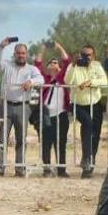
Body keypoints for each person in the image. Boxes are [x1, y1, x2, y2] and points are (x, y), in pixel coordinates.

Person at [0, 39, 43, 177]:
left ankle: (20, 168)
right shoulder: (6, 65)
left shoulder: (31, 69)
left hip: (23, 107)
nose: (21, 55)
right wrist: (1, 46)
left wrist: (31, 81)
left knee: (21, 139)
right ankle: (0, 168)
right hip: (5, 106)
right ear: (14, 54)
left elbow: (41, 79)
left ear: (26, 54)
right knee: (1, 138)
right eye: (18, 53)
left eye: (23, 53)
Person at [64, 44, 108, 178]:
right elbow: (67, 81)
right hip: (78, 103)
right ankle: (86, 160)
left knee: (95, 134)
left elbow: (104, 81)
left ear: (93, 56)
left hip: (95, 103)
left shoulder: (96, 66)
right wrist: (73, 65)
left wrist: (91, 82)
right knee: (87, 124)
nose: (86, 57)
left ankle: (89, 165)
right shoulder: (73, 66)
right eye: (83, 54)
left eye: (89, 55)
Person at [35, 42, 71, 177]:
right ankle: (46, 169)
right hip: (45, 115)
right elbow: (38, 63)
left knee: (60, 143)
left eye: (56, 62)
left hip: (61, 114)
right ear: (48, 67)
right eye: (50, 62)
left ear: (59, 66)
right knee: (46, 143)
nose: (53, 63)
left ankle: (61, 169)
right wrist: (43, 48)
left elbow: (67, 60)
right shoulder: (44, 78)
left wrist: (59, 47)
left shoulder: (62, 78)